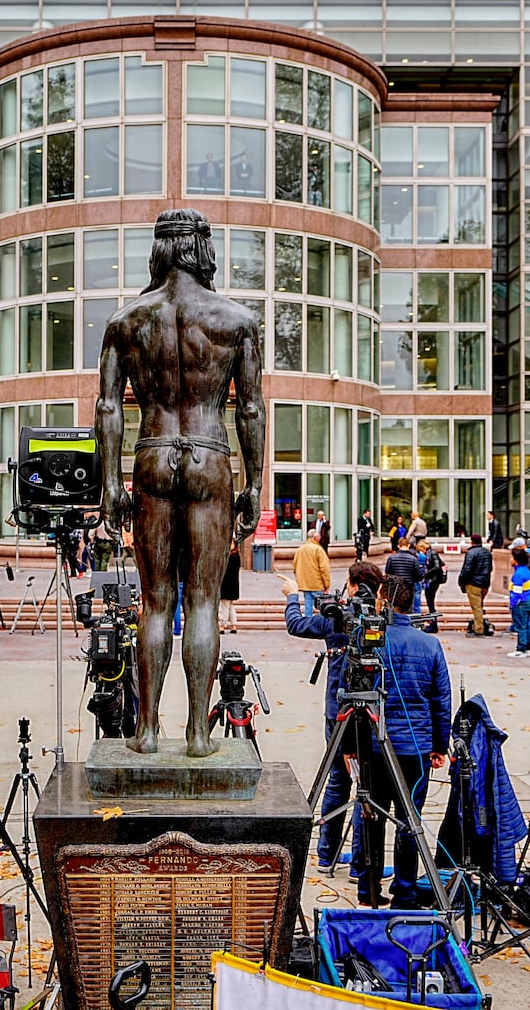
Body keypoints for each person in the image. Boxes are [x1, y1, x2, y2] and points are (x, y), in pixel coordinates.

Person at [94, 209, 267, 758]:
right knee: (202, 602)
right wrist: (256, 480)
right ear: (203, 251)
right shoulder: (235, 320)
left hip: (151, 452)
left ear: (159, 252)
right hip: (210, 455)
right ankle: (196, 734)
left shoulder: (127, 321)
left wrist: (108, 486)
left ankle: (145, 731)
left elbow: (107, 409)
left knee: (156, 602)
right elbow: (253, 411)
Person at [283, 559, 385, 876]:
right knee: (365, 784)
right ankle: (359, 865)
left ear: (354, 586)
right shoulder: (379, 621)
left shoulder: (336, 619)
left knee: (339, 781)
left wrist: (292, 595)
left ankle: (326, 854)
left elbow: (296, 624)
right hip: (367, 709)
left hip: (339, 711)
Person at [360, 576, 451, 907]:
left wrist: (349, 749)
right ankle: (406, 891)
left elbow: (352, 694)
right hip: (415, 747)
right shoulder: (430, 645)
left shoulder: (369, 640)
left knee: (372, 818)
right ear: (414, 603)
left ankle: (368, 889)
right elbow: (441, 701)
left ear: (383, 600)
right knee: (409, 821)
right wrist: (440, 746)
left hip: (374, 746)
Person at [458, 533, 493, 636]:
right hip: (485, 583)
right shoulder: (487, 553)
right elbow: (490, 568)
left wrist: (461, 581)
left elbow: (466, 569)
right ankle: (478, 625)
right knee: (479, 605)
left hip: (473, 583)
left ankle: (478, 629)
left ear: (472, 541)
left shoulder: (471, 553)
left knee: (476, 607)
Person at [293, 527, 331, 617]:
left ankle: (308, 625)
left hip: (305, 584)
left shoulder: (300, 550)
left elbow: (295, 567)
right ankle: (320, 626)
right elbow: (324, 569)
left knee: (308, 607)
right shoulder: (318, 550)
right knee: (322, 608)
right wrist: (327, 584)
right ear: (316, 538)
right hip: (318, 584)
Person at [507, 546, 530, 657]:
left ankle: (521, 649)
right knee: (526, 626)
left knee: (521, 627)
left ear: (516, 560)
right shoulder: (526, 571)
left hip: (521, 603)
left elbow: (517, 593)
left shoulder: (518, 574)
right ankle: (528, 647)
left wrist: (512, 604)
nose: (510, 560)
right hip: (528, 601)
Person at [418, 536, 445, 630]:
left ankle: (434, 625)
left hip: (433, 580)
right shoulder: (431, 553)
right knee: (430, 603)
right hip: (433, 580)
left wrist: (426, 574)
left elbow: (437, 567)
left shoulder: (432, 553)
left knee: (431, 603)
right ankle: (433, 624)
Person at [219, 540, 241, 634]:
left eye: (232, 543)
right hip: (234, 586)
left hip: (226, 586)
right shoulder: (237, 557)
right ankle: (233, 625)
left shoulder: (228, 557)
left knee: (224, 606)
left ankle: (222, 625)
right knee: (231, 607)